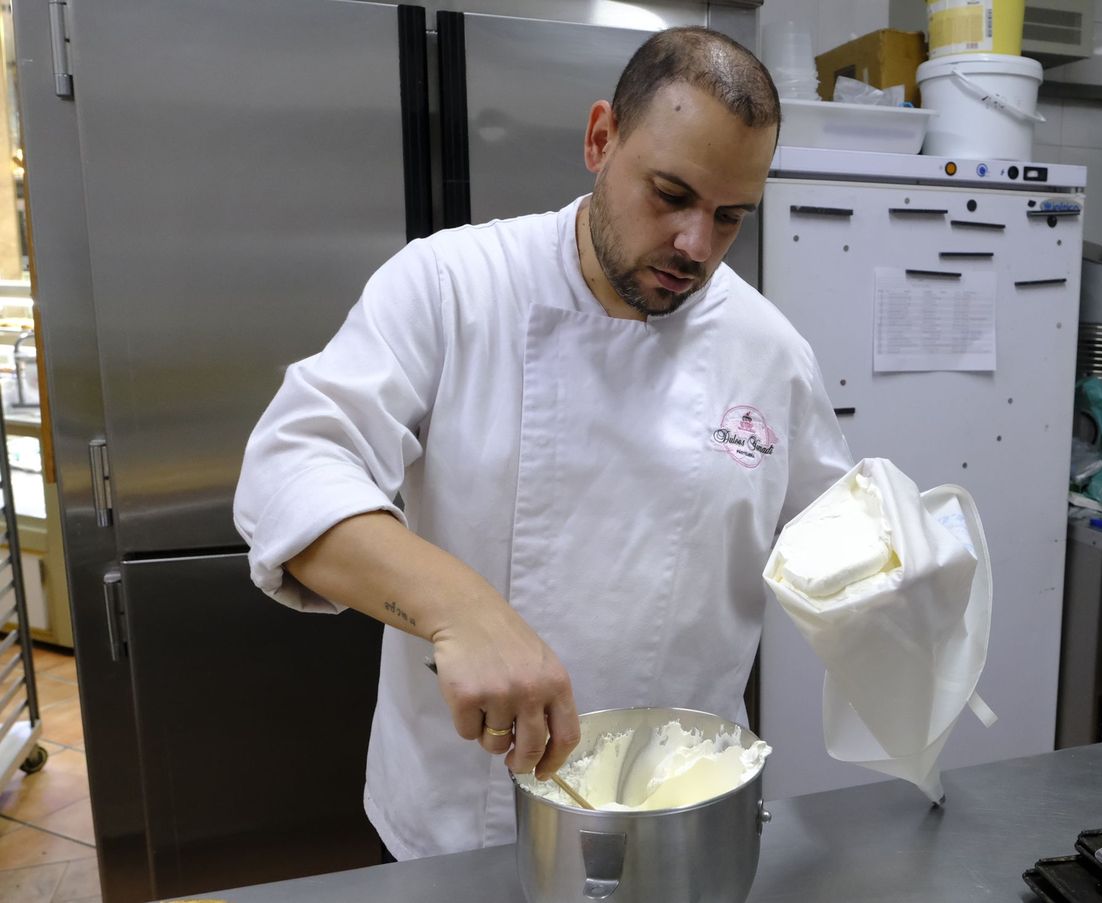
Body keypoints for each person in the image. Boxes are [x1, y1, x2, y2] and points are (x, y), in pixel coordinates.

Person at [233, 26, 851, 860]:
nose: (696, 246)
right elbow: (290, 467)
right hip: (461, 828)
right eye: (670, 194)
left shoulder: (768, 351)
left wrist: (910, 579)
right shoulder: (456, 285)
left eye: (730, 216)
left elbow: (835, 546)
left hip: (674, 826)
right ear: (601, 139)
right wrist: (461, 612)